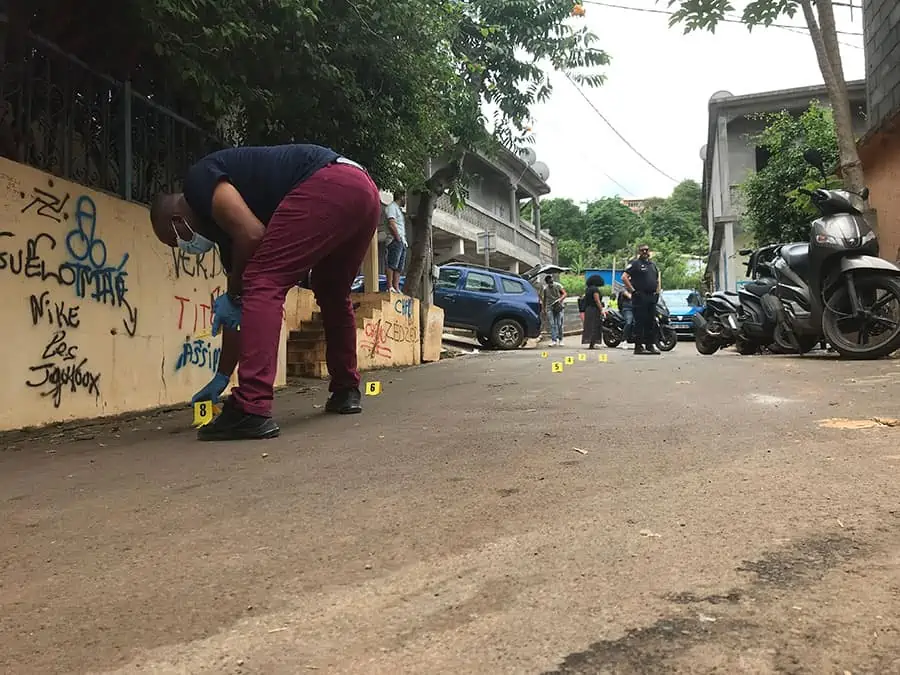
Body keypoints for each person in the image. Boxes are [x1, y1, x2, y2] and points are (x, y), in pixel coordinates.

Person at [149, 144, 382, 441]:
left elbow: (253, 235)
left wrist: (236, 292)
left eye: (173, 241)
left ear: (177, 221)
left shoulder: (198, 181)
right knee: (332, 290)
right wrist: (221, 376)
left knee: (263, 279)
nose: (182, 248)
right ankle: (346, 390)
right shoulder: (226, 236)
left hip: (331, 182)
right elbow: (240, 312)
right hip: (363, 191)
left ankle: (251, 408)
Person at [621, 244, 661, 355]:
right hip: (640, 296)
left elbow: (657, 280)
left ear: (649, 251)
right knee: (640, 322)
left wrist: (657, 292)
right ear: (639, 252)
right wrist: (633, 291)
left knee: (651, 321)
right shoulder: (635, 264)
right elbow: (624, 277)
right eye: (642, 250)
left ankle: (650, 345)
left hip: (651, 296)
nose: (645, 252)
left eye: (646, 250)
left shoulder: (652, 265)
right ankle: (638, 347)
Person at [384, 191, 408, 293]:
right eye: (405, 197)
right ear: (401, 196)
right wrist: (397, 238)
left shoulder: (398, 210)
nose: (406, 199)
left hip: (402, 241)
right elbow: (391, 223)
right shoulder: (391, 207)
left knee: (399, 267)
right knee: (392, 264)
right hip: (395, 240)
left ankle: (396, 287)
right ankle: (389, 287)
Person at [540, 274, 567, 346]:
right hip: (550, 307)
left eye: (552, 282)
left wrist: (559, 300)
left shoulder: (558, 286)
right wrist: (543, 309)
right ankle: (554, 340)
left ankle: (561, 339)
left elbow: (564, 294)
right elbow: (544, 299)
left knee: (559, 324)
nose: (551, 284)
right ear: (547, 283)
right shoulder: (545, 289)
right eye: (549, 283)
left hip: (558, 306)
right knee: (552, 324)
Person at [581, 275, 606, 349]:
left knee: (589, 326)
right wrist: (601, 309)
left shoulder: (588, 289)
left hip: (588, 309)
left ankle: (591, 343)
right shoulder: (595, 289)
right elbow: (597, 300)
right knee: (595, 326)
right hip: (594, 309)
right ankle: (593, 343)